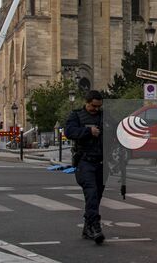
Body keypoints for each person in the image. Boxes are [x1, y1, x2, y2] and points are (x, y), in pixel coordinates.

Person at [64, 91, 105, 243]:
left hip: (101, 161)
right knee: (92, 192)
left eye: (99, 106)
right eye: (93, 106)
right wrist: (88, 131)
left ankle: (87, 228)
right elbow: (69, 132)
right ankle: (95, 226)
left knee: (96, 197)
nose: (96, 109)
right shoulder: (76, 116)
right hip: (85, 161)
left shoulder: (104, 116)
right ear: (87, 102)